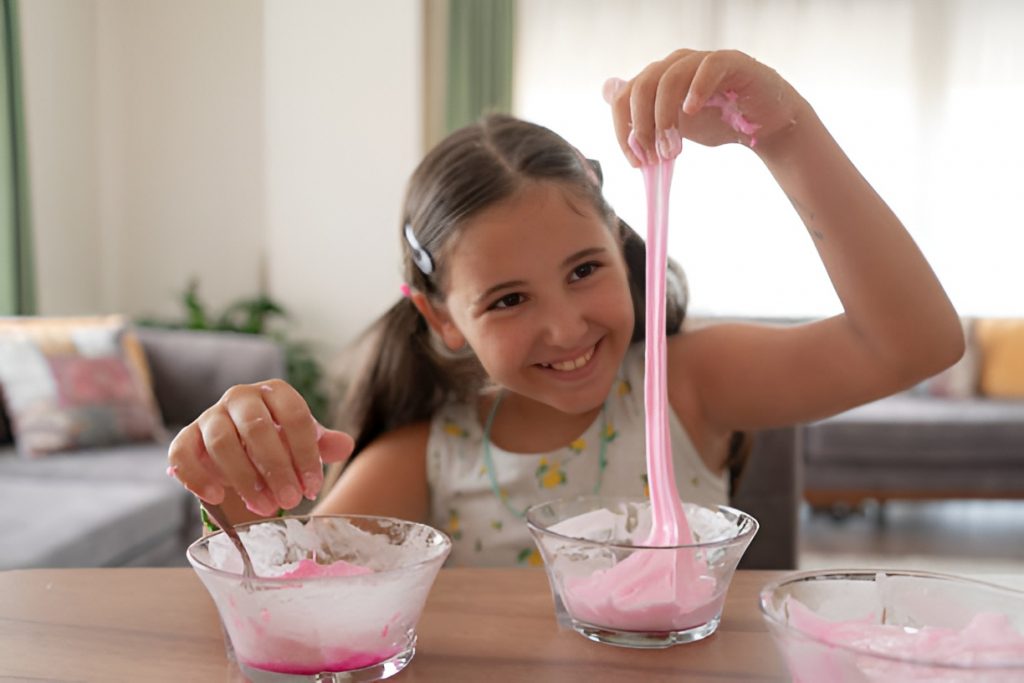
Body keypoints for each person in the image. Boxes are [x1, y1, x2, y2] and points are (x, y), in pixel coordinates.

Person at [167, 49, 964, 566]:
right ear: (442, 318)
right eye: (509, 299)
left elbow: (915, 343)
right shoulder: (425, 458)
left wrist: (783, 131)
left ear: (620, 247)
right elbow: (286, 596)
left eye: (585, 269)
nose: (566, 326)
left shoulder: (687, 383)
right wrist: (239, 503)